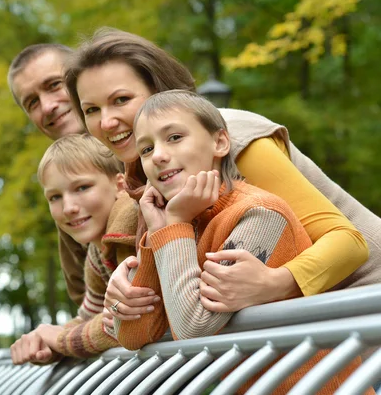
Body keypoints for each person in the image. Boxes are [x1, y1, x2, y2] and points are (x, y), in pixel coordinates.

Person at [63, 27, 378, 322]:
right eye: (91, 110)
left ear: (159, 90)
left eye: (121, 100)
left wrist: (276, 283)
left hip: (365, 305)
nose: (106, 122)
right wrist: (123, 298)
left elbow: (348, 241)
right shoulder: (146, 175)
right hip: (318, 332)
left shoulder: (232, 135)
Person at [110, 89, 372, 395]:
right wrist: (159, 233)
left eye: (175, 137)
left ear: (220, 142)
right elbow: (132, 335)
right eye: (145, 149)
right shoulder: (177, 226)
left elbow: (193, 329)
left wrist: (174, 225)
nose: (158, 155)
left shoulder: (260, 214)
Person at [10, 134, 138, 364]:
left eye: (82, 187)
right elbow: (90, 316)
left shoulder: (130, 225)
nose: (68, 207)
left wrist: (61, 340)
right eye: (55, 197)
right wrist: (43, 340)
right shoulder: (97, 253)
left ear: (120, 185)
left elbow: (131, 319)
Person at [8, 44, 89, 306]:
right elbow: (86, 296)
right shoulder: (64, 192)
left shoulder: (156, 146)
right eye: (32, 102)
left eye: (54, 85)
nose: (47, 106)